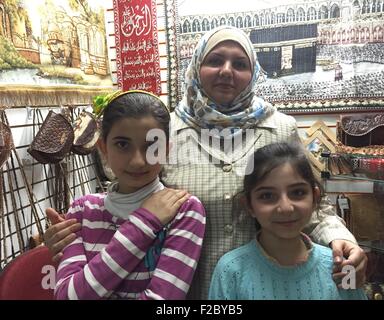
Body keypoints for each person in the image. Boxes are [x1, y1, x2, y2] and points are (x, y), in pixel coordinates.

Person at [44, 26, 367, 299]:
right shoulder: (166, 130)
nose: (227, 71)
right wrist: (76, 231)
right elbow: (134, 185)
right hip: (176, 288)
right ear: (197, 66)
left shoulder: (279, 128)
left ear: (253, 72)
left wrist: (339, 237)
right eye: (215, 61)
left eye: (239, 63)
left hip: (258, 285)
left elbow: (309, 200)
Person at [54, 90, 206, 299]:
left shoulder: (184, 210)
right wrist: (143, 224)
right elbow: (67, 296)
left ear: (167, 149)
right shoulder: (82, 210)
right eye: (122, 145)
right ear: (103, 148)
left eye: (152, 145)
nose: (137, 161)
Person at [208, 142, 367, 300]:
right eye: (267, 196)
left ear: (315, 198)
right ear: (249, 205)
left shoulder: (343, 269)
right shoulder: (230, 271)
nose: (285, 208)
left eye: (298, 192)